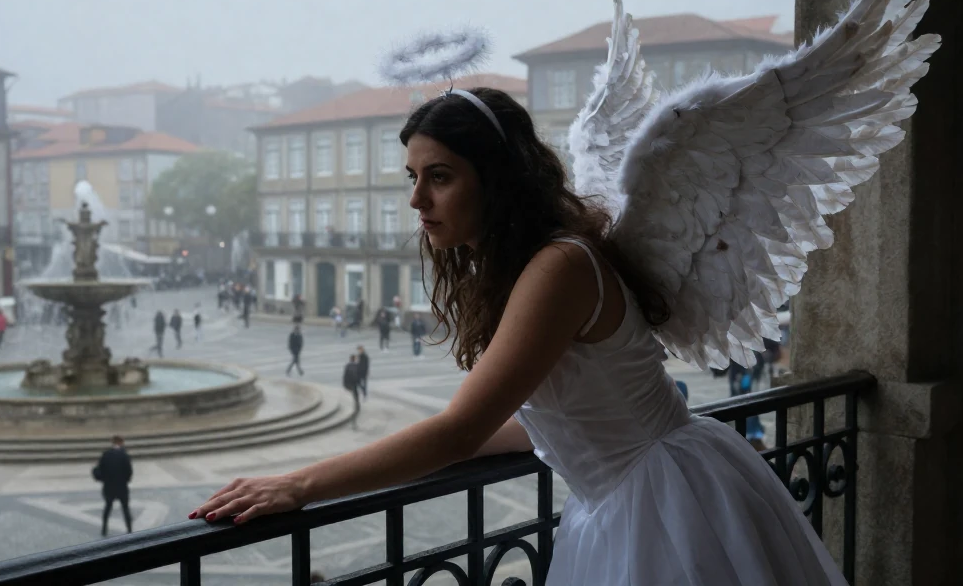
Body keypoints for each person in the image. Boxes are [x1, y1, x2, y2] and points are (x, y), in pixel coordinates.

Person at [186, 86, 847, 584]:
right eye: (412, 178)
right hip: (632, 496)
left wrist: (298, 485)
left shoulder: (557, 267)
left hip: (661, 505)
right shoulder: (541, 262)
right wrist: (450, 449)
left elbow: (458, 429)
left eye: (439, 177)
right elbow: (553, 419)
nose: (417, 200)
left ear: (495, 180)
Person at [94, 435, 133, 536]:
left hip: (109, 487)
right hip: (122, 487)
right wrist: (125, 480)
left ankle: (104, 528)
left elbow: (100, 470)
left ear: (112, 443)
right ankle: (129, 528)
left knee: (107, 507)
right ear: (121, 443)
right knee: (125, 508)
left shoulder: (106, 454)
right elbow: (129, 471)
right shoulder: (124, 455)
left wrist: (104, 480)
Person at [342, 355, 361, 430]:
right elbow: (356, 377)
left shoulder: (347, 366)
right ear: (355, 359)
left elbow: (345, 377)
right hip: (353, 387)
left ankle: (353, 421)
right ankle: (353, 421)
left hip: (350, 386)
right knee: (356, 405)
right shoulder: (355, 366)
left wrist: (345, 385)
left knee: (355, 405)